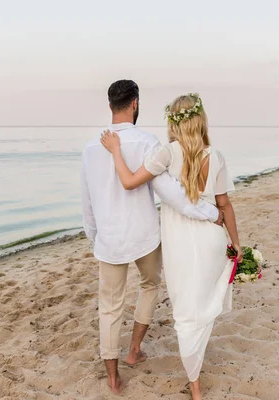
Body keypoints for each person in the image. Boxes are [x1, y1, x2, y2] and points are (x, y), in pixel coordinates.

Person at [80, 81, 224, 394]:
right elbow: (170, 193)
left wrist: (95, 237)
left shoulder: (92, 147)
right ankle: (134, 350)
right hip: (144, 234)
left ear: (110, 106)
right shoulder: (148, 142)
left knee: (109, 306)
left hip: (110, 239)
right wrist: (211, 213)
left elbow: (87, 201)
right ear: (135, 104)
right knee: (149, 285)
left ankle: (113, 377)